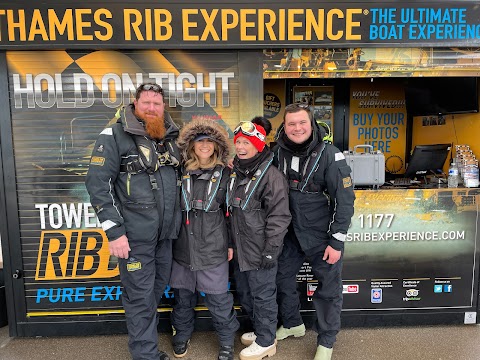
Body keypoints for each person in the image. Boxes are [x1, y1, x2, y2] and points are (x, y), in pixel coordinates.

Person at [86, 83, 182, 360]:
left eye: (157, 103)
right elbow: (97, 185)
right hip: (134, 238)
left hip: (165, 237)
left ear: (164, 107)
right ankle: (145, 355)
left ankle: (145, 346)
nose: (151, 108)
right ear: (135, 104)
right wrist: (114, 232)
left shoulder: (169, 137)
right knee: (140, 298)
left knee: (151, 294)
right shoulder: (115, 135)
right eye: (146, 103)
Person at [273, 103, 355, 360]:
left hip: (321, 235)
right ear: (284, 127)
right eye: (291, 124)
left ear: (312, 124)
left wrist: (337, 240)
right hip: (289, 232)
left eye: (301, 123)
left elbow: (345, 200)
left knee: (329, 289)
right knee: (281, 278)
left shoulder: (330, 154)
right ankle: (292, 324)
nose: (297, 128)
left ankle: (327, 341)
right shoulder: (277, 152)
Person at [170, 118, 239, 360]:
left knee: (220, 300)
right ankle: (182, 334)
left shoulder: (227, 174)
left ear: (217, 145)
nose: (205, 145)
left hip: (213, 248)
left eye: (209, 141)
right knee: (182, 298)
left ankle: (226, 341)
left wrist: (230, 243)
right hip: (183, 247)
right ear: (191, 145)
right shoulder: (178, 173)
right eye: (200, 141)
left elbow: (232, 214)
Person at [227, 120, 291, 360]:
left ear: (258, 145)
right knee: (246, 293)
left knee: (263, 295)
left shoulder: (271, 176)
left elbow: (279, 216)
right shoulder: (236, 171)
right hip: (241, 247)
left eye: (247, 143)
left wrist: (270, 250)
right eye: (239, 142)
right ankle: (261, 330)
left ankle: (266, 342)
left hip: (260, 248)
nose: (242, 147)